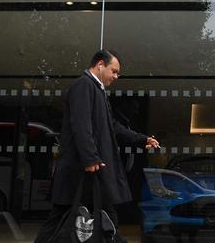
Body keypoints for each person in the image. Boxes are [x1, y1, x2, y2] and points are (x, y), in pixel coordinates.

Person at [34, 50, 160, 243]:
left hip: (91, 171)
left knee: (105, 219)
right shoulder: (83, 86)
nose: (116, 77)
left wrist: (142, 139)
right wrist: (90, 157)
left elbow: (113, 127)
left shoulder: (97, 91)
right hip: (82, 172)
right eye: (114, 71)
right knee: (62, 220)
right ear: (100, 64)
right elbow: (81, 124)